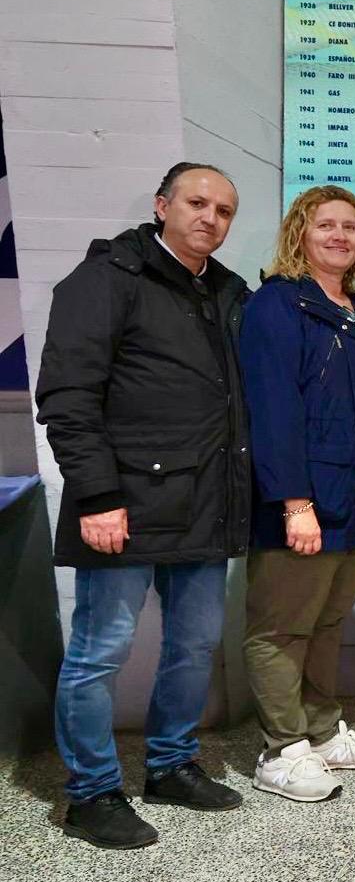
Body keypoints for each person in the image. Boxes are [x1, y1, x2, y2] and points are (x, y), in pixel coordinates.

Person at [36, 163, 249, 848]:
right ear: (162, 205)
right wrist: (97, 494)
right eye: (196, 202)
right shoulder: (106, 278)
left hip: (205, 502)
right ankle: (91, 792)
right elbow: (67, 395)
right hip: (122, 503)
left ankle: (171, 765)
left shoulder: (226, 291)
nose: (209, 217)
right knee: (100, 651)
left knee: (194, 645)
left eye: (223, 210)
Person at [238, 186, 355, 802]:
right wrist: (295, 503)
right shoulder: (277, 306)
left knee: (327, 620)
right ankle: (282, 749)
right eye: (325, 225)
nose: (339, 236)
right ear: (300, 234)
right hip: (306, 501)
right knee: (282, 628)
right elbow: (273, 409)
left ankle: (320, 728)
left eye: (349, 227)